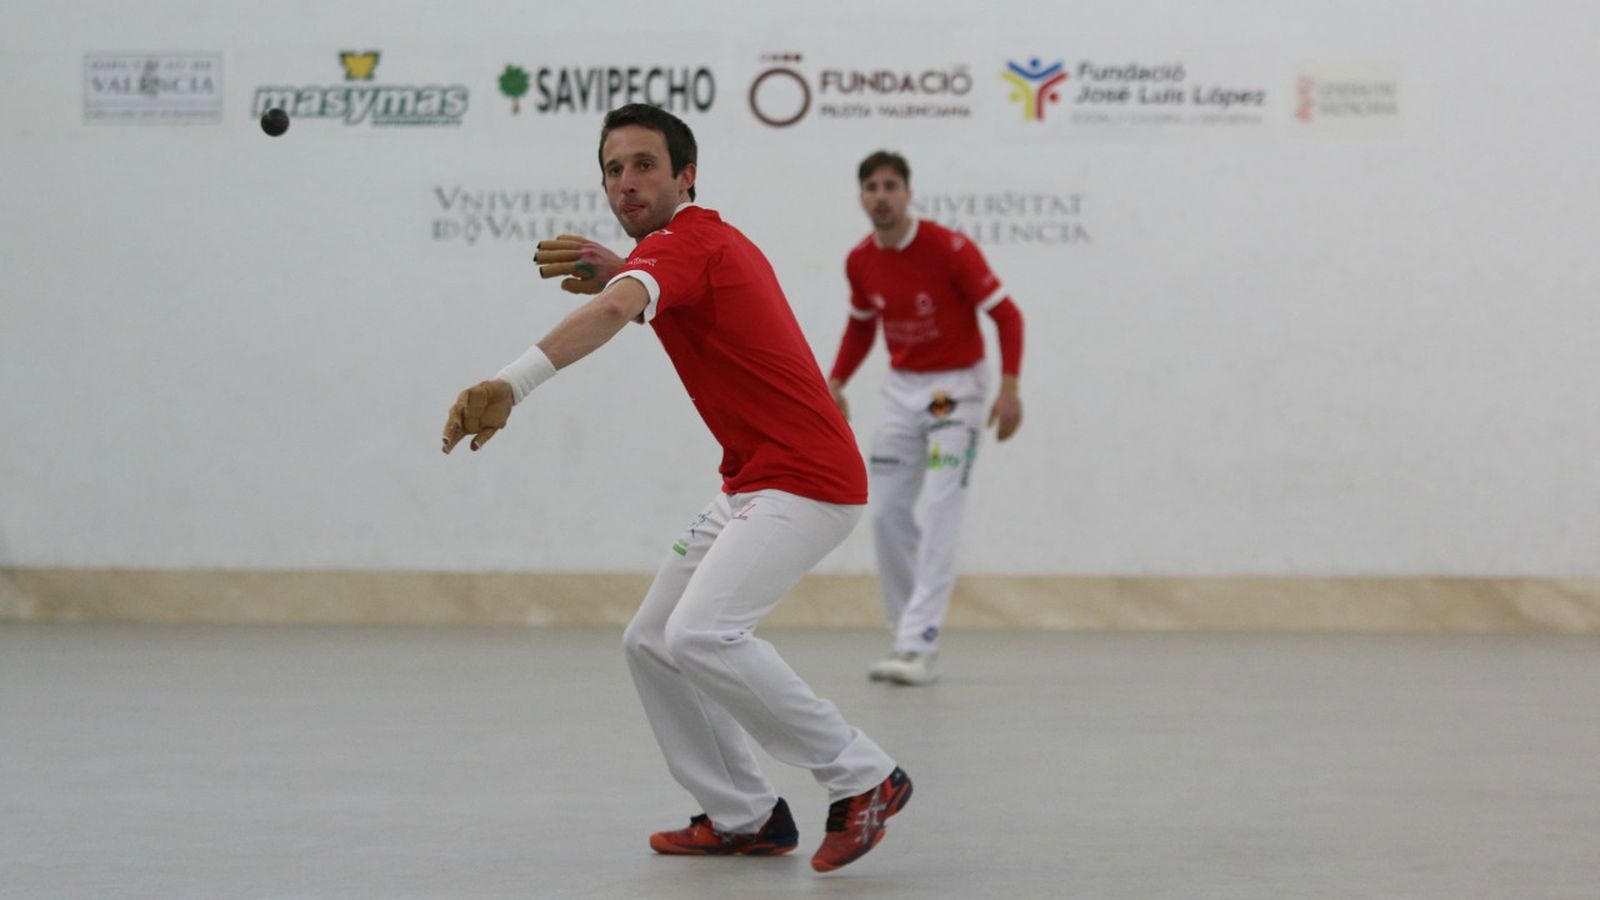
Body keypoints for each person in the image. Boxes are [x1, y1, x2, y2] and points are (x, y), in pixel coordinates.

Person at [441, 104, 911, 873]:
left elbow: (619, 306)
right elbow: (640, 283)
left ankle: (864, 776)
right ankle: (745, 813)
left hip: (808, 479)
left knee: (702, 634)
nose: (626, 182)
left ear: (686, 175)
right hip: (754, 479)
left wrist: (511, 383)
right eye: (612, 169)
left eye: (645, 166)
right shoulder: (678, 248)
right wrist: (623, 264)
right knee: (653, 643)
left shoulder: (689, 241)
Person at [825, 151, 1026, 686]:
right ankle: (905, 638)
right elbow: (862, 326)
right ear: (861, 197)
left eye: (891, 185)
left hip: (955, 391)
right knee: (887, 512)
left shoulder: (948, 248)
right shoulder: (860, 260)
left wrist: (1008, 389)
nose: (881, 195)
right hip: (901, 394)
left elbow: (1007, 315)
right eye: (871, 186)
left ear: (908, 193)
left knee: (940, 510)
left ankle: (921, 643)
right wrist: (836, 379)